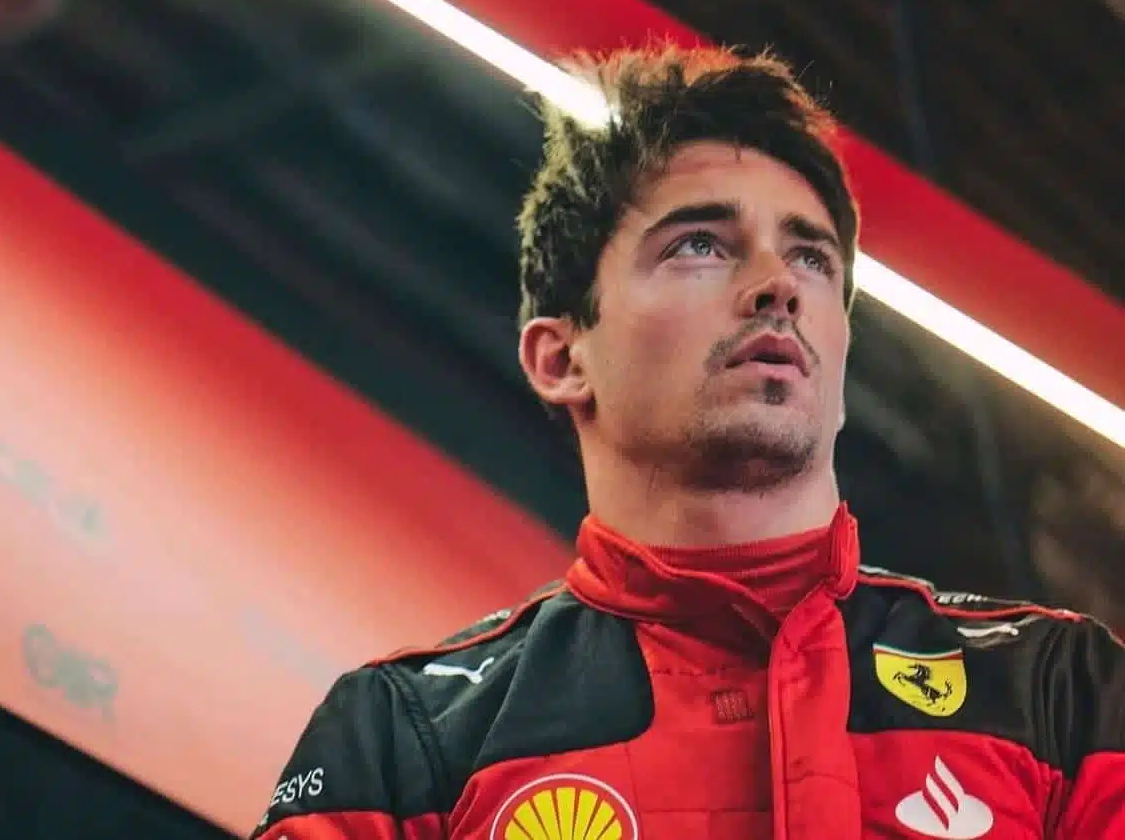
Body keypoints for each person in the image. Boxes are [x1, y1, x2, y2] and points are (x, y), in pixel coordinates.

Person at [251, 45, 1125, 840]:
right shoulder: (404, 738)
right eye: (700, 245)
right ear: (562, 359)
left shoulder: (1061, 690)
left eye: (811, 258)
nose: (777, 285)